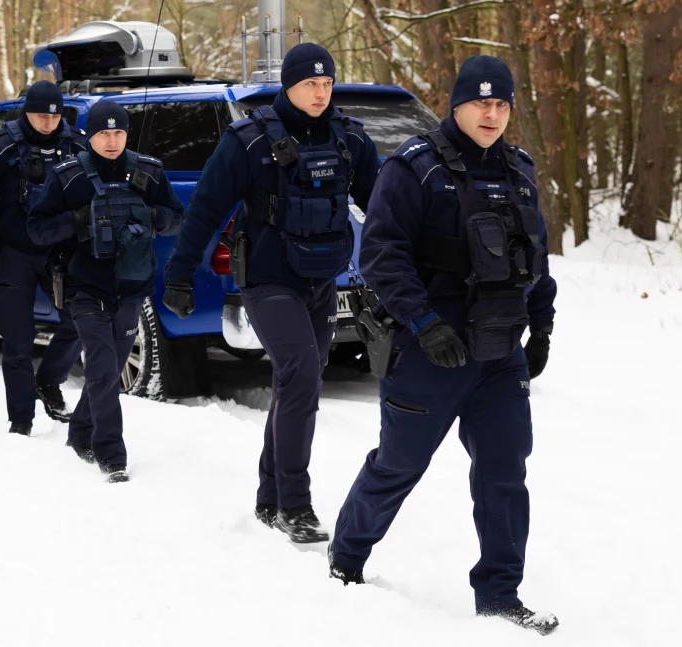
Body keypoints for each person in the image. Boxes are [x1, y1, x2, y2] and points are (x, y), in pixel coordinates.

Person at [326, 56, 559, 636]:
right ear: (456, 104)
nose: (492, 113)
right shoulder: (415, 169)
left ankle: (501, 594)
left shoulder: (520, 170)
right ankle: (347, 558)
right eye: (481, 102)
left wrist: (542, 326)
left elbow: (537, 261)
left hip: (499, 351)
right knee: (399, 465)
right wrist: (424, 321)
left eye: (502, 104)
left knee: (505, 472)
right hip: (431, 349)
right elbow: (381, 255)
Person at [163, 43, 381, 542]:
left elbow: (386, 208)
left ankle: (268, 497)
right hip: (267, 280)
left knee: (295, 383)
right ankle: (295, 505)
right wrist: (179, 275)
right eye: (311, 84)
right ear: (289, 84)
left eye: (327, 84)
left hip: (322, 280)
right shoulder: (249, 142)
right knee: (302, 375)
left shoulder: (349, 140)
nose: (321, 93)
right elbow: (204, 211)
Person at [26, 100, 183, 483]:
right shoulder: (67, 177)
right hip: (85, 287)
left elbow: (177, 219)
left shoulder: (148, 172)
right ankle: (111, 454)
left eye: (118, 133)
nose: (111, 141)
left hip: (131, 287)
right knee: (100, 366)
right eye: (102, 134)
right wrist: (79, 221)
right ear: (89, 136)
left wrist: (151, 218)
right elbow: (37, 228)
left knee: (110, 370)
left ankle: (80, 433)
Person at [0, 80, 87, 435]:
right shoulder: (0, 147)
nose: (47, 123)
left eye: (54, 115)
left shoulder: (76, 145)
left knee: (79, 318)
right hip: (14, 253)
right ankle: (21, 420)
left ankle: (49, 379)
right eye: (39, 115)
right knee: (17, 341)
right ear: (26, 112)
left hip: (60, 252)